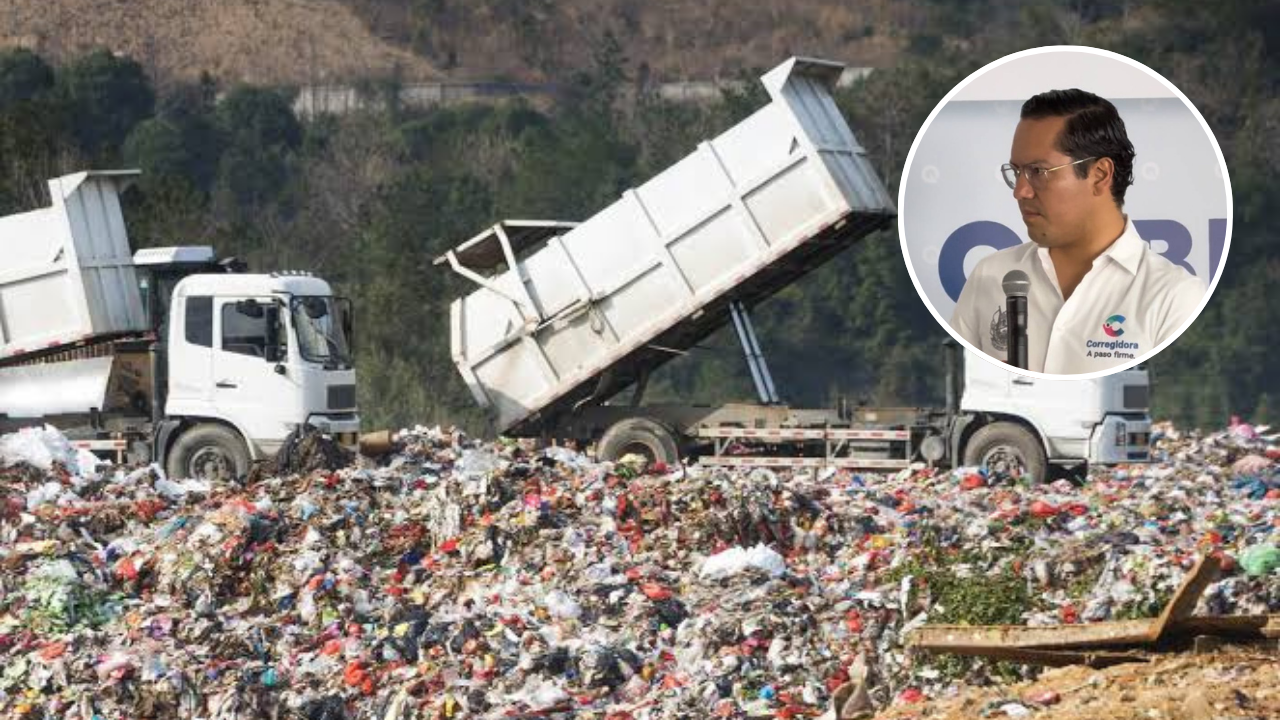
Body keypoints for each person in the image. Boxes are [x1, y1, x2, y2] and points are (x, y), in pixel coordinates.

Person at [950, 88, 1206, 374]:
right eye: (1016, 173)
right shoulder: (990, 275)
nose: (1021, 192)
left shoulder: (1174, 296)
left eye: (1038, 172)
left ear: (1099, 175)